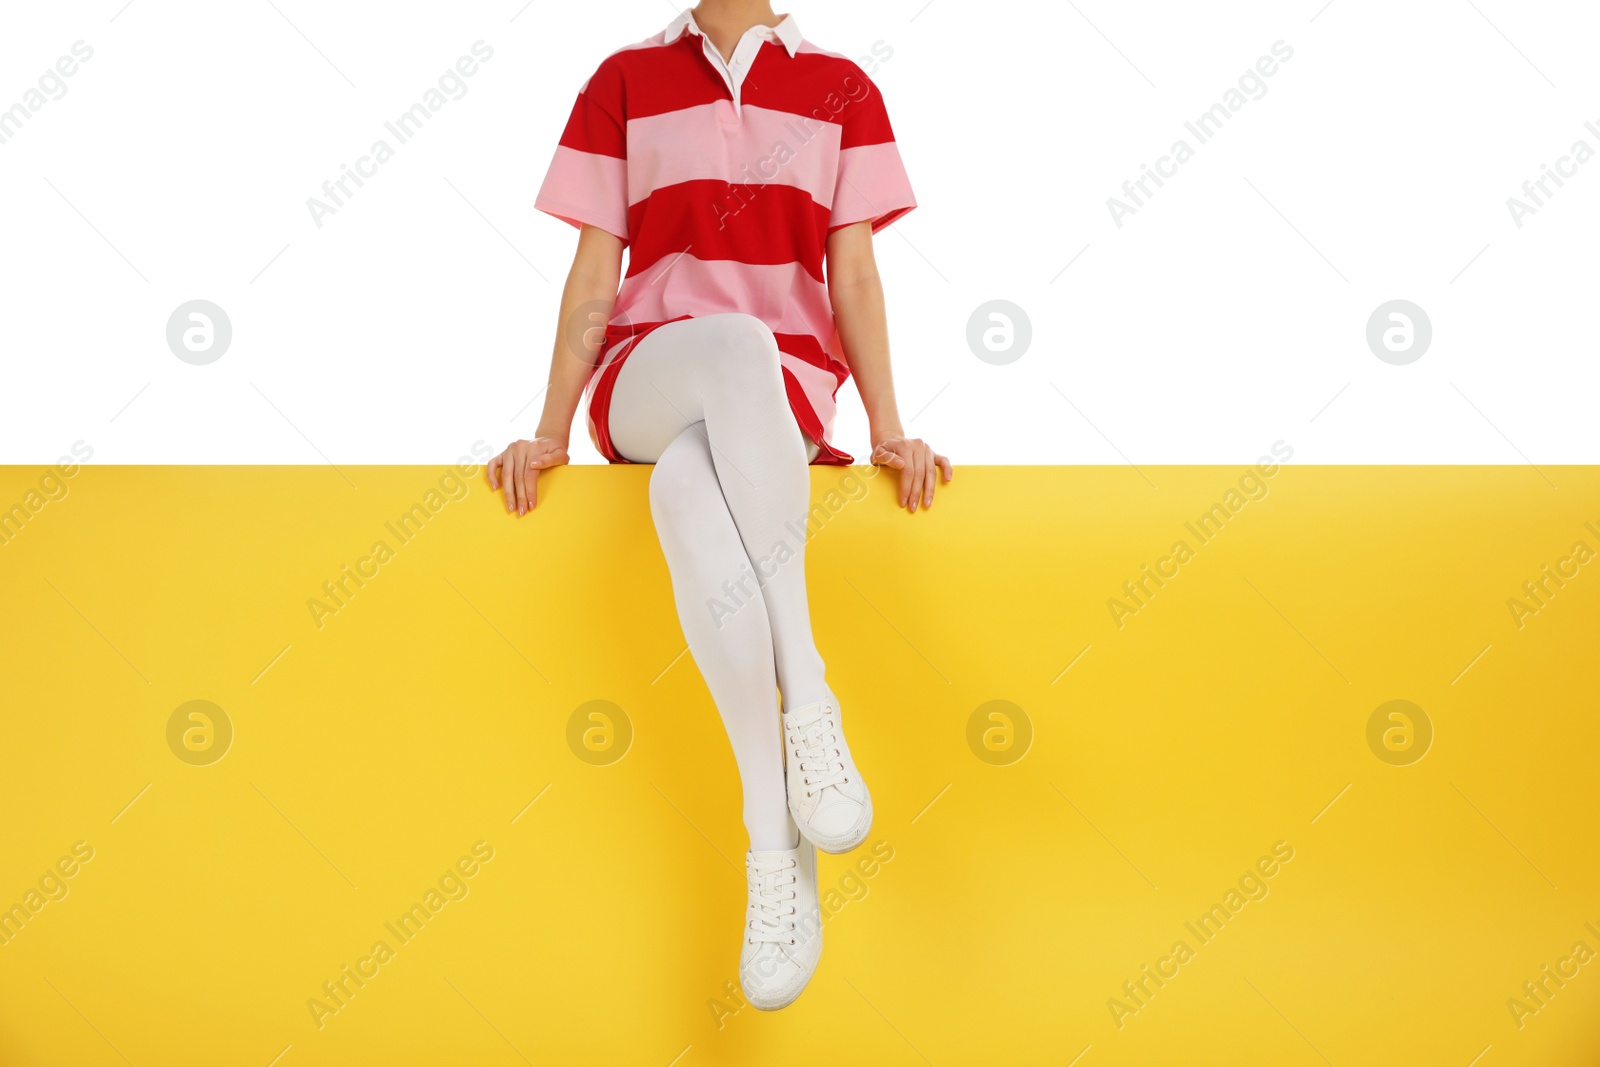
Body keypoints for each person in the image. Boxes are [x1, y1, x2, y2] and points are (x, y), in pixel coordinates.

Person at [488, 0, 951, 1010]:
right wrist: (552, 429)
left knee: (688, 487)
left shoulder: (842, 89)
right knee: (730, 344)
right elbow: (592, 271)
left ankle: (770, 839)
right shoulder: (622, 81)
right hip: (647, 370)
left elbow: (856, 273)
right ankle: (811, 696)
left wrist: (886, 426)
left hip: (779, 394)